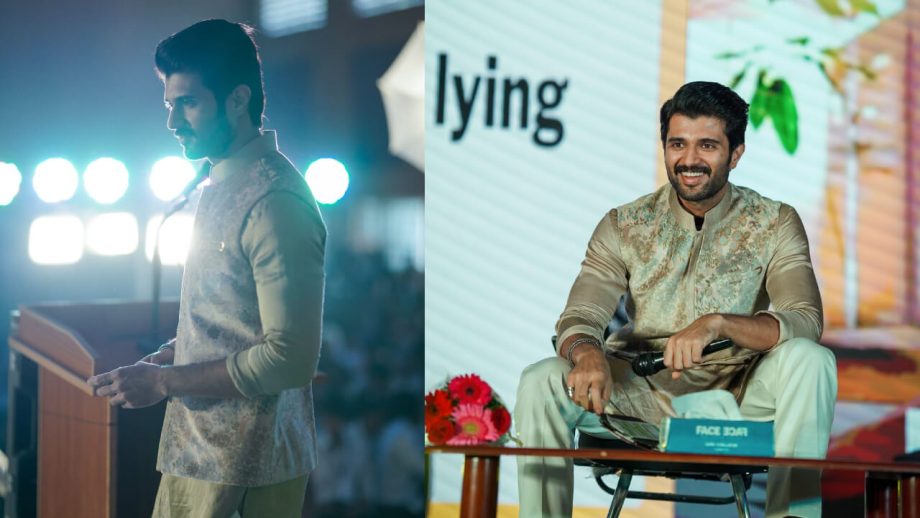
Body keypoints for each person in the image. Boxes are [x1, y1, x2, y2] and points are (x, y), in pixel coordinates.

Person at [514, 81, 837, 518]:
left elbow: (804, 320)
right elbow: (580, 314)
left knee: (811, 359)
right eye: (677, 144)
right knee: (541, 379)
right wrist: (585, 351)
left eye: (707, 145)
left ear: (736, 153)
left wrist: (717, 323)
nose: (689, 160)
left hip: (737, 396)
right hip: (634, 389)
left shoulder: (775, 222)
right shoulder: (624, 224)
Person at [87, 19, 326, 518]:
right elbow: (232, 324)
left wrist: (163, 382)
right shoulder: (220, 184)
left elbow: (290, 358)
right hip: (197, 453)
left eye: (188, 103)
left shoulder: (275, 200)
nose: (173, 122)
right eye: (170, 105)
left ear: (238, 100)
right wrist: (168, 358)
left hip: (245, 469)